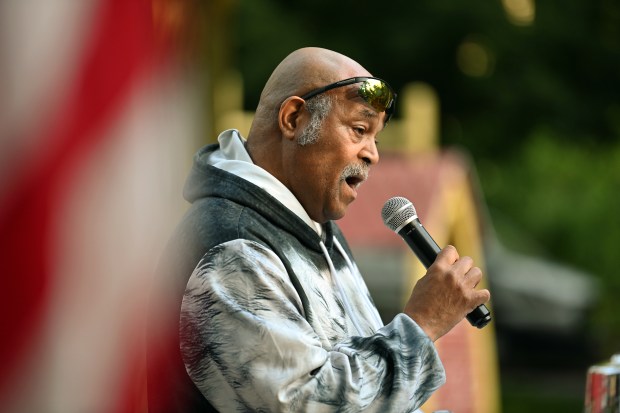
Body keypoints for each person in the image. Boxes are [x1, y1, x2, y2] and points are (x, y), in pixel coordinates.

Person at [146, 47, 490, 412]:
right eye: (359, 129)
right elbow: (314, 404)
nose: (372, 153)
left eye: (375, 137)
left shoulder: (314, 228)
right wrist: (422, 325)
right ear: (294, 119)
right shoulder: (233, 250)